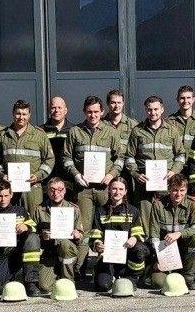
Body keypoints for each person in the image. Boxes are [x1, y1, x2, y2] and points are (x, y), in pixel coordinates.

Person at [63, 95, 123, 272]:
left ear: (102, 112)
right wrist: (75, 175)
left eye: (96, 111)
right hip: (84, 189)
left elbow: (120, 158)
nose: (93, 115)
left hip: (105, 188)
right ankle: (80, 268)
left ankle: (106, 267)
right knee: (84, 229)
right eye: (89, 112)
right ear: (84, 112)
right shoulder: (75, 132)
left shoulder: (111, 132)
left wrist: (111, 175)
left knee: (107, 226)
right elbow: (66, 158)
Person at [125, 95, 185, 228]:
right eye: (149, 110)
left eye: (156, 109)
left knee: (165, 215)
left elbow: (181, 155)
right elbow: (129, 156)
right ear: (145, 111)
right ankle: (147, 245)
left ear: (162, 109)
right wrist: (136, 174)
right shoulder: (137, 131)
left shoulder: (172, 131)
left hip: (166, 181)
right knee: (144, 218)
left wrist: (173, 171)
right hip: (144, 182)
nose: (153, 113)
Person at [0, 100, 55, 214]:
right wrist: (1, 174)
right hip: (8, 189)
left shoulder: (39, 135)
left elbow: (49, 159)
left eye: (24, 114)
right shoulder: (3, 135)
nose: (21, 117)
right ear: (13, 114)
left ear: (29, 115)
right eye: (18, 113)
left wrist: (38, 176)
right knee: (9, 221)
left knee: (33, 220)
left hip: (32, 188)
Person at [0, 180, 42, 296]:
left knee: (33, 238)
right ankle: (17, 275)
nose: (3, 199)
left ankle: (31, 282)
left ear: (11, 195)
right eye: (0, 196)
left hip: (18, 251)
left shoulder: (21, 211)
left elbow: (34, 229)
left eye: (6, 195)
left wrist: (26, 227)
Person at [88, 177, 148, 292]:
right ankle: (105, 275)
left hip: (127, 255)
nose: (117, 192)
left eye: (121, 189)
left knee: (140, 249)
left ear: (125, 191)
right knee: (103, 287)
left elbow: (139, 233)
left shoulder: (133, 211)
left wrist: (134, 238)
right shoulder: (100, 211)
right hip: (107, 257)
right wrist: (98, 244)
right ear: (109, 190)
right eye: (114, 188)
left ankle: (132, 278)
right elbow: (95, 234)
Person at [147, 174, 195, 290]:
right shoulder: (158, 205)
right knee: (158, 283)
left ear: (186, 190)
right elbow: (154, 234)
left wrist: (180, 233)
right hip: (165, 252)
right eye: (175, 190)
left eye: (182, 190)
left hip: (185, 252)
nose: (178, 194)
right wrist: (159, 258)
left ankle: (188, 278)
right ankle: (156, 271)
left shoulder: (193, 203)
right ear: (169, 189)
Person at [29, 178, 84, 293]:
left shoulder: (73, 209)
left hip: (68, 250)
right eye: (52, 190)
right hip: (50, 252)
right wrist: (41, 236)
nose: (56, 193)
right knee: (45, 287)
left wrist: (78, 234)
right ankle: (57, 273)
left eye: (60, 190)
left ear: (65, 191)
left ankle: (68, 281)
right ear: (47, 191)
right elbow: (32, 234)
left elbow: (81, 235)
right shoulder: (39, 210)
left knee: (64, 244)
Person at [166, 85, 195, 150]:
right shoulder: (169, 121)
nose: (185, 101)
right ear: (177, 100)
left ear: (193, 99)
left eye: (188, 97)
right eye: (182, 98)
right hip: (176, 159)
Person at [41, 96, 71, 183]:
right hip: (46, 179)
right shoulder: (40, 131)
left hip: (69, 180)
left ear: (65, 110)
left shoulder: (73, 130)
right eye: (53, 107)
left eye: (59, 107)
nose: (56, 110)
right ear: (49, 110)